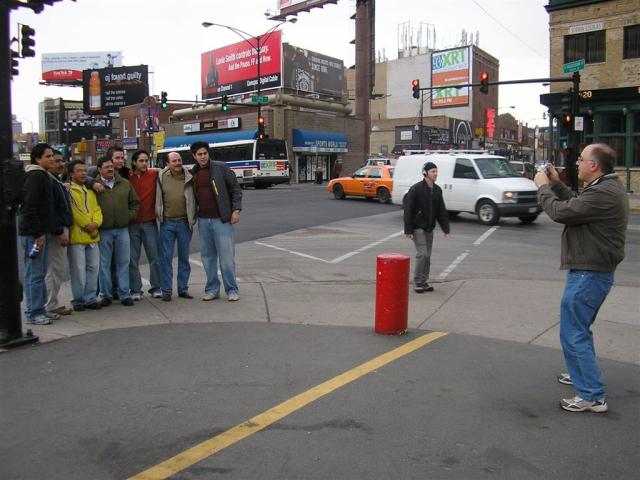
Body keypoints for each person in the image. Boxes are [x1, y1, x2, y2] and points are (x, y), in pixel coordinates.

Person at [535, 143, 628, 413]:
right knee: (579, 329)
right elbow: (576, 203)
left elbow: (561, 212)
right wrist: (557, 183)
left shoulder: (604, 193)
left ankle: (592, 395)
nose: (577, 163)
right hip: (592, 271)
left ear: (594, 165)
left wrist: (543, 186)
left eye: (581, 159)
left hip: (590, 273)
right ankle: (581, 376)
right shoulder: (604, 187)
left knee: (573, 332)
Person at [190, 141, 242, 301]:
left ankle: (232, 290)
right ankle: (212, 289)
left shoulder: (221, 168)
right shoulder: (194, 173)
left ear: (208, 153)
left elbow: (235, 189)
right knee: (208, 258)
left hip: (222, 220)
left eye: (205, 153)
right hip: (204, 221)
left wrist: (235, 210)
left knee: (226, 258)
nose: (203, 156)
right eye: (199, 154)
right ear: (194, 156)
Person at [18, 143, 58, 325]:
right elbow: (30, 206)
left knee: (39, 272)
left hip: (40, 232)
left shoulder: (44, 176)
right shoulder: (36, 176)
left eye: (52, 156)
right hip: (34, 235)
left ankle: (39, 308)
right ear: (37, 159)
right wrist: (37, 234)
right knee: (34, 273)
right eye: (48, 156)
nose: (51, 159)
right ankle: (33, 312)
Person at [94, 156, 139, 307]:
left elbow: (135, 203)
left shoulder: (124, 183)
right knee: (104, 264)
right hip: (104, 230)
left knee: (123, 262)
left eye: (111, 167)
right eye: (106, 167)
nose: (110, 169)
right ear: (99, 169)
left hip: (122, 229)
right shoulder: (94, 185)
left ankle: (124, 294)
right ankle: (106, 294)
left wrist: (129, 216)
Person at [155, 151, 197, 301]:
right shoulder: (161, 176)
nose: (178, 163)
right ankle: (166, 290)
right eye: (174, 161)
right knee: (165, 258)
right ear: (168, 164)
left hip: (184, 223)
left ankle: (183, 289)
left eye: (179, 160)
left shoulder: (190, 176)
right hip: (167, 223)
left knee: (184, 257)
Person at [403, 161, 450, 293]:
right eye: (433, 171)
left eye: (436, 171)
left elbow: (441, 211)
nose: (436, 174)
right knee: (422, 254)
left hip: (429, 227)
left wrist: (445, 228)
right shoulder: (416, 189)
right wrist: (408, 229)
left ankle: (424, 281)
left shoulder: (437, 190)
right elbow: (408, 209)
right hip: (418, 226)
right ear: (425, 173)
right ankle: (417, 282)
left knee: (427, 256)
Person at [67, 160, 103, 311]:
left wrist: (96, 224)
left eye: (85, 170)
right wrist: (88, 226)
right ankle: (78, 299)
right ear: (71, 174)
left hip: (93, 236)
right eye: (79, 171)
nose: (83, 173)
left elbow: (97, 209)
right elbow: (75, 213)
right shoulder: (69, 191)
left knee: (93, 268)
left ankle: (90, 297)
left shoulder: (90, 192)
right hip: (77, 237)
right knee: (78, 271)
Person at [128, 149, 162, 300]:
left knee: (154, 257)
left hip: (149, 222)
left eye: (146, 160)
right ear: (134, 162)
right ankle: (135, 289)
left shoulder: (154, 174)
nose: (144, 163)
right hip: (131, 224)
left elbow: (171, 169)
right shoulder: (126, 176)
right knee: (132, 259)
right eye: (141, 161)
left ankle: (156, 287)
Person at [44, 149, 73, 317]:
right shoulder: (48, 181)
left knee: (58, 269)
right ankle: (50, 304)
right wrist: (59, 231)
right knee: (54, 269)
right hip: (57, 231)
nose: (60, 164)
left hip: (61, 228)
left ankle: (52, 302)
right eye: (55, 160)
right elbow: (51, 210)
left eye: (61, 161)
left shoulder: (56, 181)